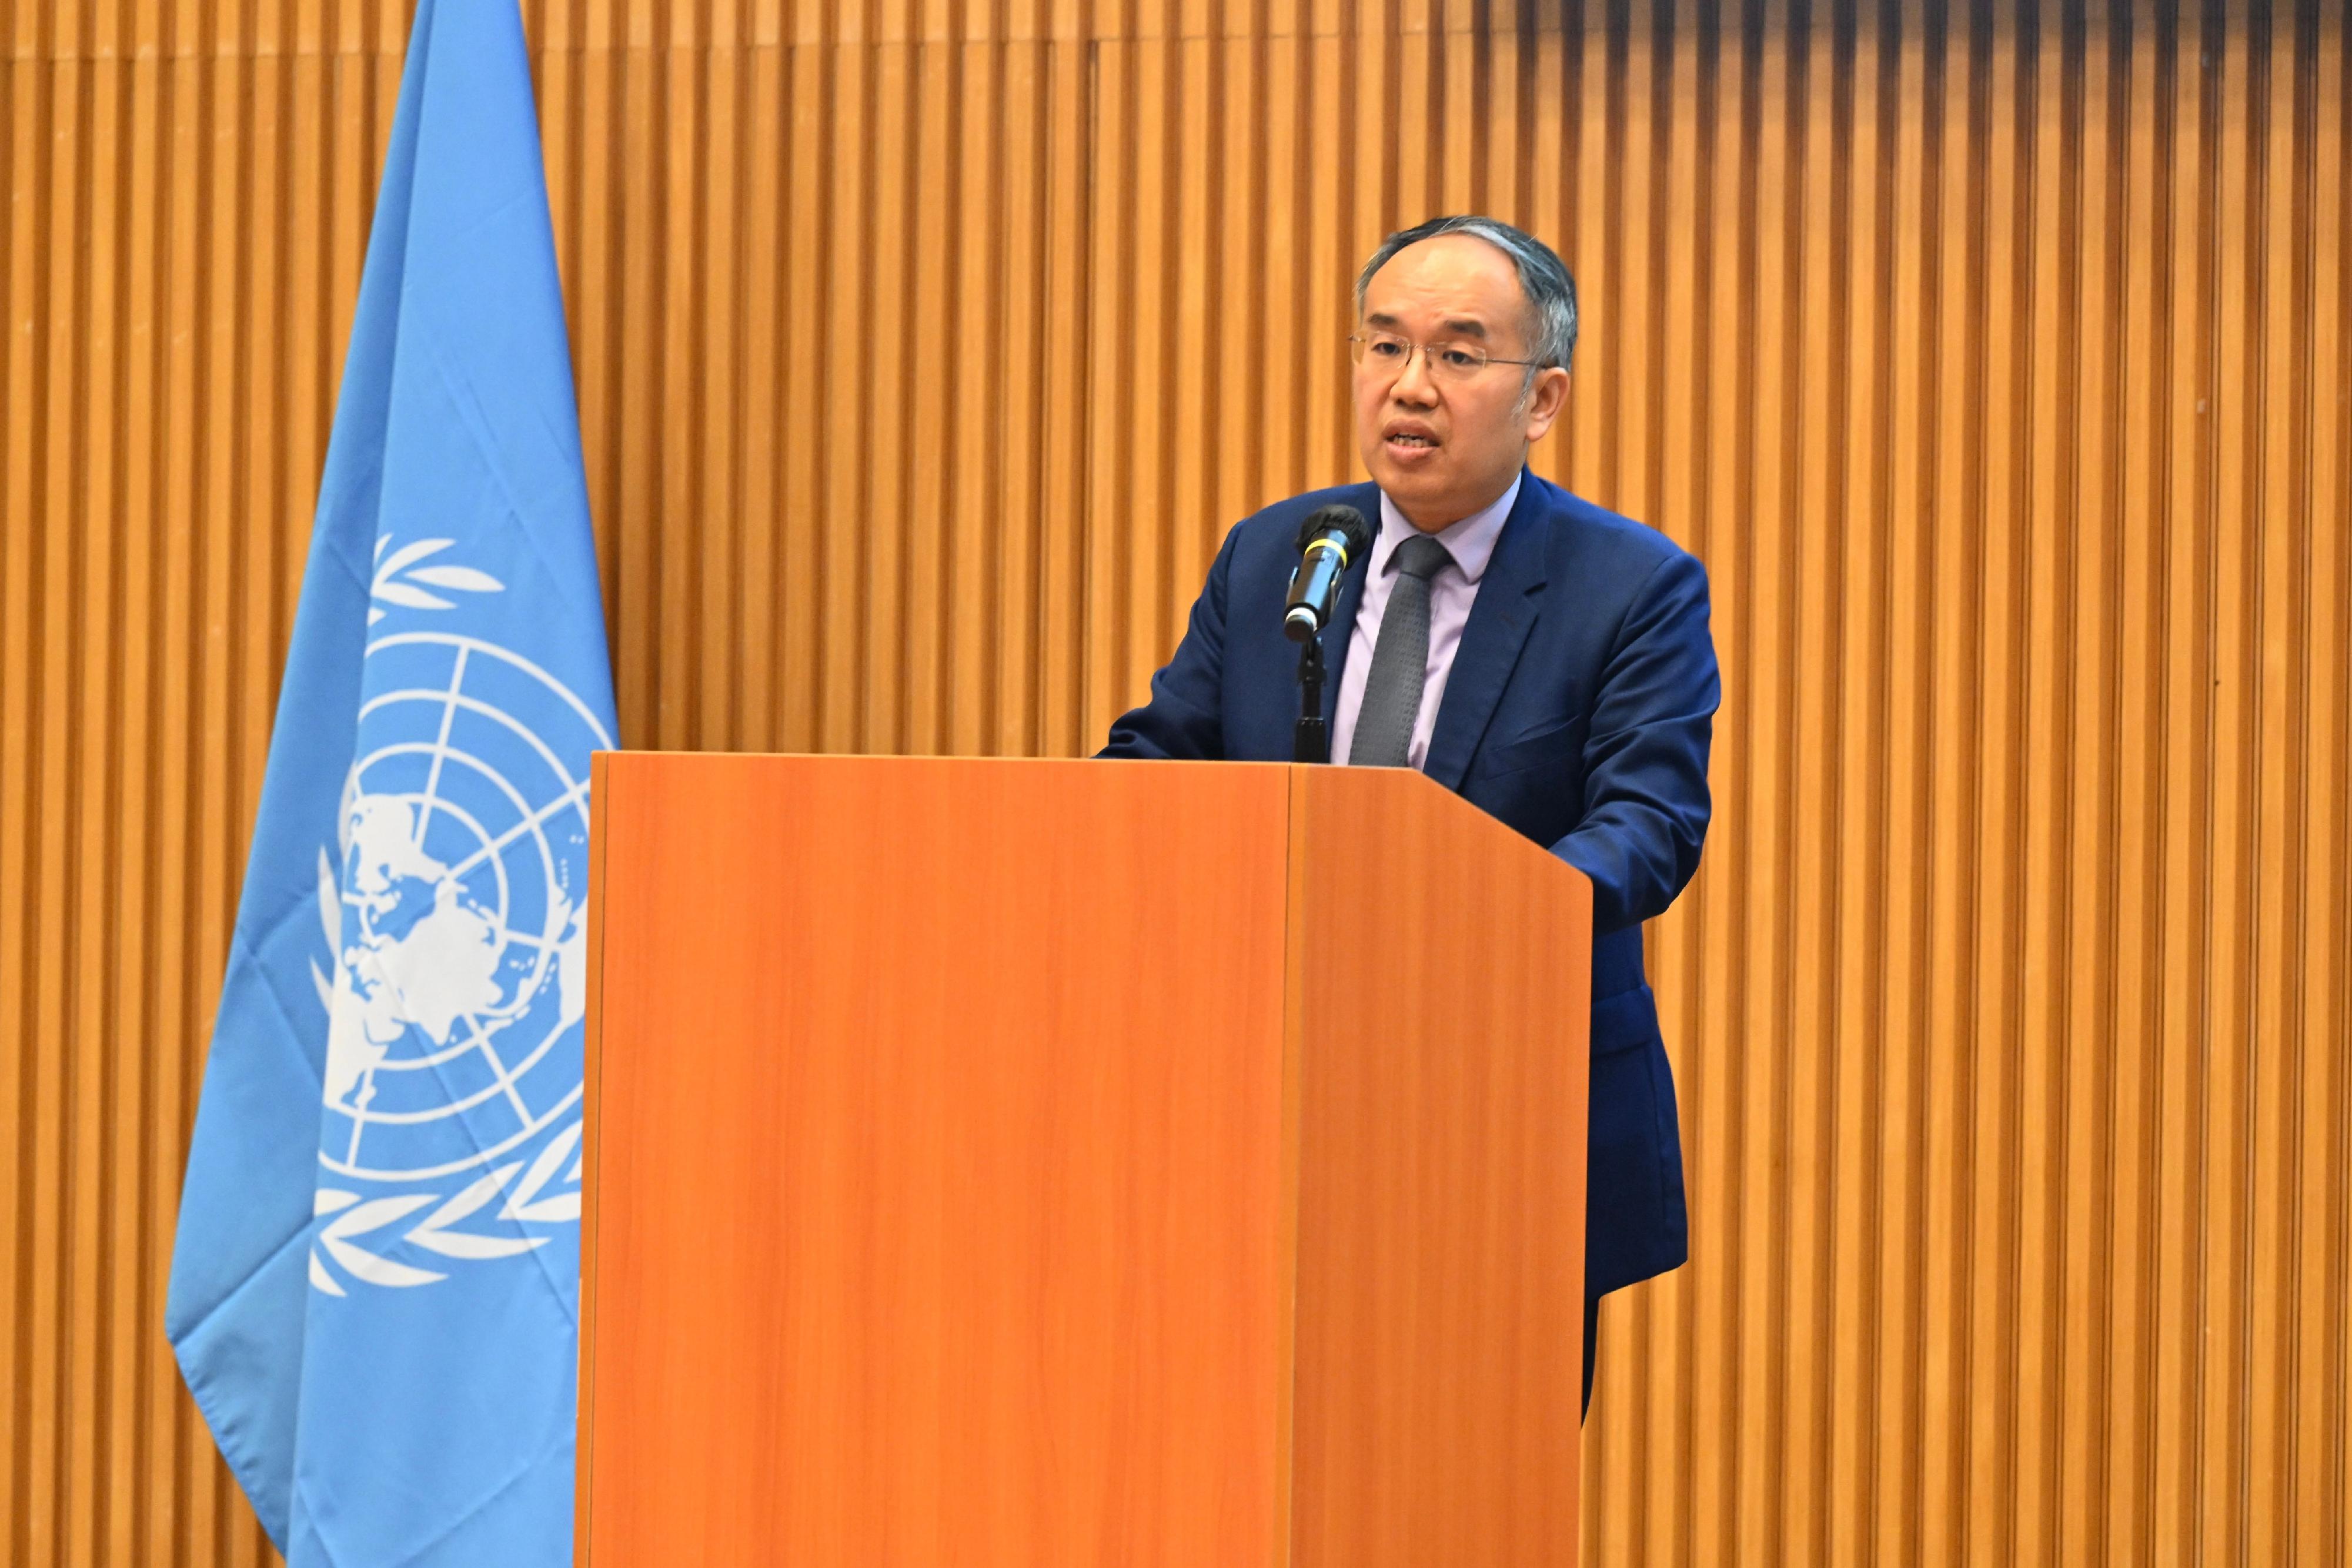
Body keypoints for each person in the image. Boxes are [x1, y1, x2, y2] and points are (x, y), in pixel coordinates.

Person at [1100, 215, 1719, 1416]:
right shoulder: (1279, 554)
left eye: (1454, 354)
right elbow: (1163, 753)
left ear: (1540, 397)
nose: (1408, 386)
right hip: (1251, 1096)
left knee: (1466, 1473)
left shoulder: (1631, 585)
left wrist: (1460, 908)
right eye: (1382, 346)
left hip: (1499, 1104)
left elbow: (1646, 820)